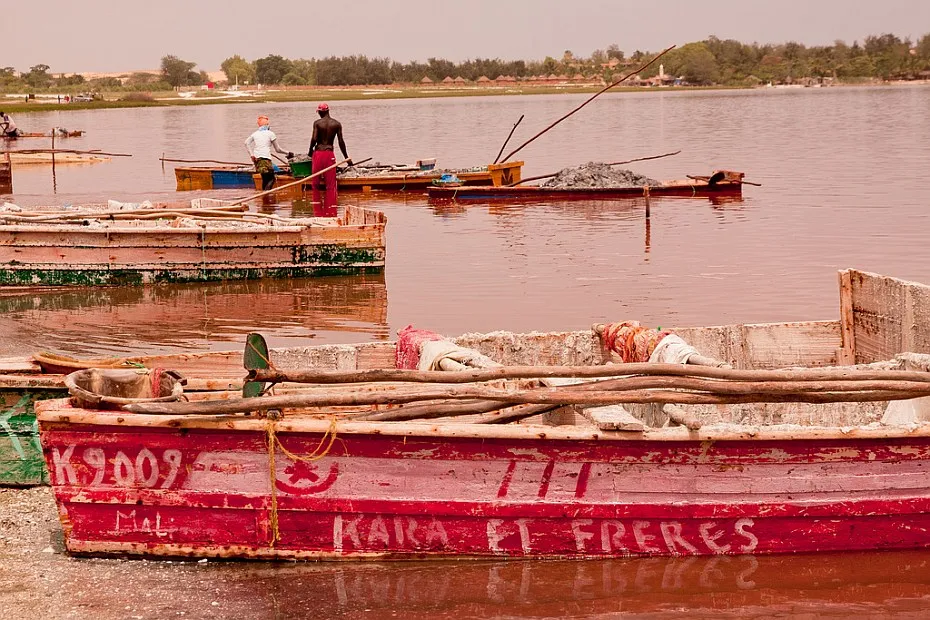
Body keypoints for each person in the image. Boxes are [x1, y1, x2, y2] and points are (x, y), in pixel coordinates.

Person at [308, 103, 351, 212]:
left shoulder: (317, 123)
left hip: (318, 153)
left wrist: (310, 151)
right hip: (329, 154)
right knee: (331, 184)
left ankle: (317, 212)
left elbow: (314, 139)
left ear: (321, 112)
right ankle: (331, 212)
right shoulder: (336, 124)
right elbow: (341, 142)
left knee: (315, 182)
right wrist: (347, 158)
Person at [245, 115, 293, 192]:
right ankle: (267, 193)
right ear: (267, 125)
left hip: (257, 160)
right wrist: (288, 152)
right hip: (265, 158)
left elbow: (246, 143)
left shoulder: (255, 134)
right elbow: (278, 149)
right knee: (271, 178)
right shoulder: (271, 134)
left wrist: (252, 155)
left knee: (265, 179)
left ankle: (265, 199)